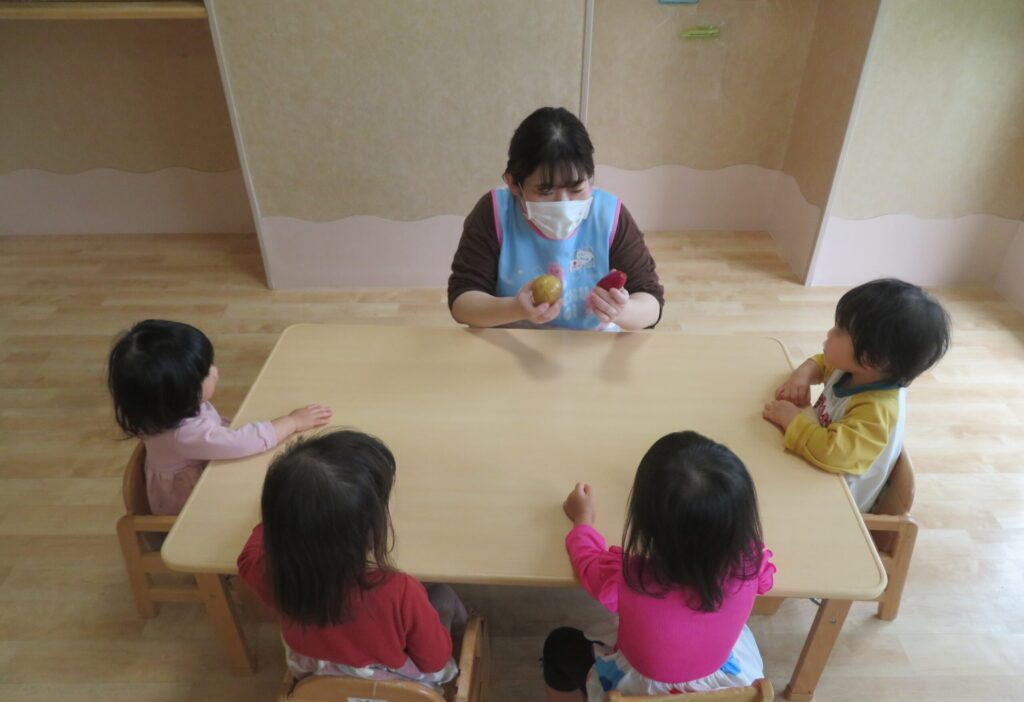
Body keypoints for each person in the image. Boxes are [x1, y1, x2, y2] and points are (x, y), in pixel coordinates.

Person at [542, 431, 775, 701]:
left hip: (636, 692)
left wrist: (582, 519)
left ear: (645, 523)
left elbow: (585, 561)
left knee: (558, 645)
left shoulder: (629, 579)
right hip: (728, 687)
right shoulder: (750, 564)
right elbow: (765, 583)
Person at [237, 430, 468, 689]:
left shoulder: (272, 573)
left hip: (316, 677)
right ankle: (465, 635)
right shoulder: (400, 590)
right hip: (392, 684)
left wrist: (286, 518)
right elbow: (434, 662)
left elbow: (247, 557)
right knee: (442, 594)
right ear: (366, 530)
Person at [448, 106, 664, 331]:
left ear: (590, 178)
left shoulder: (608, 216)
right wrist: (515, 308)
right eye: (545, 191)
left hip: (590, 344)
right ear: (513, 184)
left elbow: (651, 302)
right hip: (512, 343)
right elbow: (462, 301)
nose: (563, 204)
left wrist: (622, 311)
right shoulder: (494, 213)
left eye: (576, 189)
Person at [107, 319, 331, 515]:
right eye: (206, 372)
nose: (215, 371)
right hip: (190, 510)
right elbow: (241, 443)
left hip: (203, 468)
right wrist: (292, 422)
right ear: (180, 393)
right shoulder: (185, 434)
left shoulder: (160, 408)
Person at [763, 278, 951, 511]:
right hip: (815, 468)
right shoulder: (858, 370)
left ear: (872, 358)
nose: (829, 333)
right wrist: (801, 376)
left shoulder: (876, 411)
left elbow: (833, 453)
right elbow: (822, 363)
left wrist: (791, 420)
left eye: (840, 331)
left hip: (838, 503)